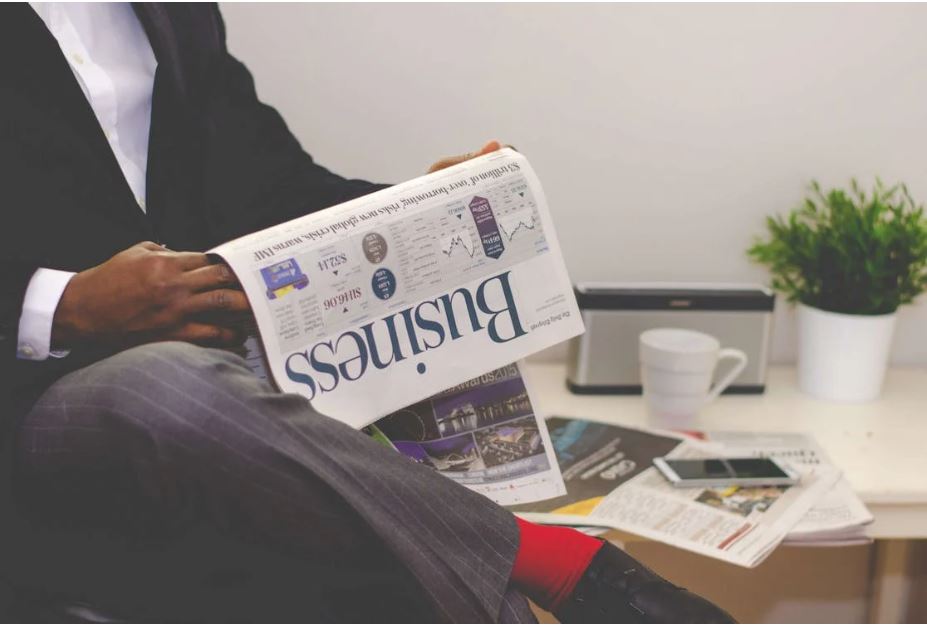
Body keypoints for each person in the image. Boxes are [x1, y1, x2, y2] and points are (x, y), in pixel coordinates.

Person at [0, 3, 735, 622]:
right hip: (42, 405)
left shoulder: (173, 12)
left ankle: (563, 576)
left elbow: (271, 191)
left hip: (232, 405)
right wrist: (62, 307)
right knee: (163, 384)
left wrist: (420, 209)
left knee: (416, 565)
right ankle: (576, 568)